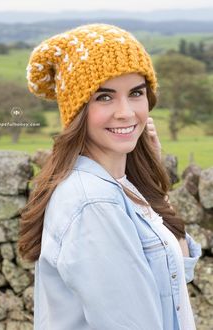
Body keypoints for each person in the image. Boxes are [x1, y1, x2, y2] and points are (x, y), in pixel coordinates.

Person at [18, 23, 202, 330]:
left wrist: (153, 184)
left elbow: (176, 277)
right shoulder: (95, 204)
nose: (126, 112)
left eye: (136, 93)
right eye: (104, 97)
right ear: (76, 111)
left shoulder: (122, 185)